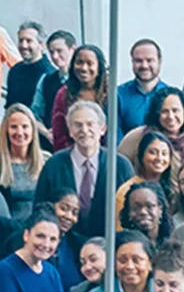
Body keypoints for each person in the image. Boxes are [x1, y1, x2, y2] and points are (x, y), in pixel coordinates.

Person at [33, 99, 133, 237]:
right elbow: (40, 209)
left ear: (102, 129)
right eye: (77, 125)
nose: (84, 130)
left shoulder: (120, 165)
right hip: (62, 244)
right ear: (70, 131)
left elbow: (130, 210)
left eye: (90, 124)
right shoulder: (54, 165)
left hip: (108, 246)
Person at [0, 103, 45, 221]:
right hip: (7, 231)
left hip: (40, 230)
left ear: (33, 130)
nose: (20, 132)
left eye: (25, 126)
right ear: (6, 131)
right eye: (13, 127)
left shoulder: (47, 161)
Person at [50, 43, 109, 152]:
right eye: (79, 62)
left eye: (90, 63)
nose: (84, 68)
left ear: (99, 67)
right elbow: (59, 134)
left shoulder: (111, 94)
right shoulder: (63, 94)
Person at [115, 129, 176, 217]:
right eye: (153, 152)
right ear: (141, 156)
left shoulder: (173, 190)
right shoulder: (126, 190)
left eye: (164, 154)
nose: (159, 158)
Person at [117, 37, 170, 133]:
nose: (144, 66)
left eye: (149, 60)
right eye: (138, 61)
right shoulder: (118, 96)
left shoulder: (172, 96)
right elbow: (114, 137)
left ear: (160, 62)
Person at [7, 20, 55, 111]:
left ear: (41, 45)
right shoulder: (14, 71)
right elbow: (9, 106)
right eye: (21, 41)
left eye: (29, 41)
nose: (24, 45)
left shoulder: (50, 75)